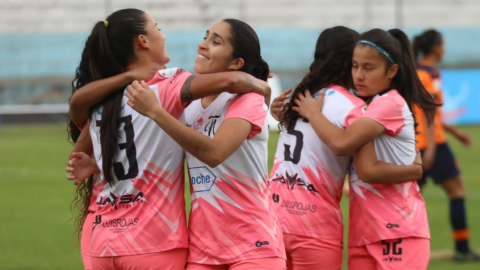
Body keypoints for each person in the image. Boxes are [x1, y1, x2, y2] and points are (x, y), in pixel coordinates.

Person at [66, 9, 271, 270]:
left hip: (100, 241)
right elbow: (233, 79)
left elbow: (83, 141)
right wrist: (261, 85)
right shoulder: (168, 83)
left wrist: (96, 165)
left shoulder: (101, 98)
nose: (163, 34)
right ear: (143, 41)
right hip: (152, 241)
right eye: (158, 27)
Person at [124, 19, 286, 270]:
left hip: (254, 243)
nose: (203, 45)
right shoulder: (187, 106)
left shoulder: (247, 99)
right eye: (206, 37)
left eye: (216, 42)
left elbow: (215, 153)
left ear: (236, 64)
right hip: (203, 247)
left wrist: (156, 112)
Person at [269, 26, 424, 270]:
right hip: (314, 222)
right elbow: (363, 165)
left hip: (273, 216)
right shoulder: (354, 107)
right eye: (355, 65)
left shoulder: (302, 98)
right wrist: (415, 169)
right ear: (347, 61)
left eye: (366, 67)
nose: (359, 74)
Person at [413, 29, 479, 261]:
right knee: (456, 191)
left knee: (413, 199)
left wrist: (456, 132)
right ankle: (461, 248)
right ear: (435, 47)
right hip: (431, 144)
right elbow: (429, 110)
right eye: (443, 44)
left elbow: (430, 111)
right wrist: (432, 146)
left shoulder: (418, 72)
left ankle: (406, 252)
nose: (445, 49)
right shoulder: (427, 74)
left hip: (418, 143)